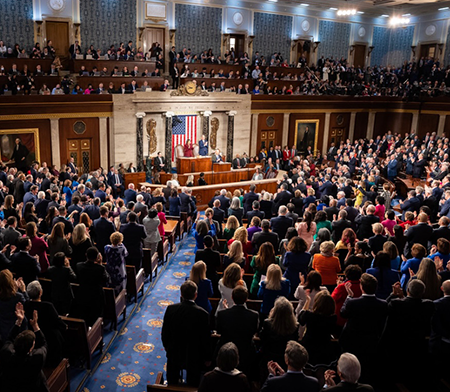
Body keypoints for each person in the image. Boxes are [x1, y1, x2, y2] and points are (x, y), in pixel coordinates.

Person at [162, 281, 211, 387]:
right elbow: (205, 339)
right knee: (193, 384)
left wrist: (167, 346)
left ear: (181, 295)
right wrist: (207, 357)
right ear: (196, 295)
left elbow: (165, 332)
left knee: (172, 382)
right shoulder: (203, 314)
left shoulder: (171, 309)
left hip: (174, 352)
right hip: (194, 355)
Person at [0, 303, 48, 392]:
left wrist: (19, 321)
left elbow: (9, 338)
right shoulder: (37, 358)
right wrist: (35, 325)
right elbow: (43, 344)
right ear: (31, 348)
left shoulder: (6, 353)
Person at [215, 287, 259, 377]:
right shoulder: (254, 315)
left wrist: (226, 310)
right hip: (246, 351)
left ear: (232, 297)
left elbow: (219, 331)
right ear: (246, 299)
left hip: (226, 350)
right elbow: (254, 331)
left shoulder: (222, 314)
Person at [24, 281, 67, 367]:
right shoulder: (48, 306)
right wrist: (65, 326)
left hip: (34, 338)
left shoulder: (26, 305)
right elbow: (58, 322)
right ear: (40, 292)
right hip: (51, 339)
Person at [299, 290, 339, 366]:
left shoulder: (309, 315)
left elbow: (300, 318)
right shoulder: (333, 318)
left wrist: (308, 301)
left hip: (308, 348)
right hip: (325, 349)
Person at [75, 247, 110, 326]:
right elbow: (107, 280)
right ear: (97, 257)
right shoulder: (100, 268)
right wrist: (100, 264)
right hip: (96, 296)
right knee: (96, 317)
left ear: (86, 255)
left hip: (83, 294)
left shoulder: (79, 266)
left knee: (85, 315)